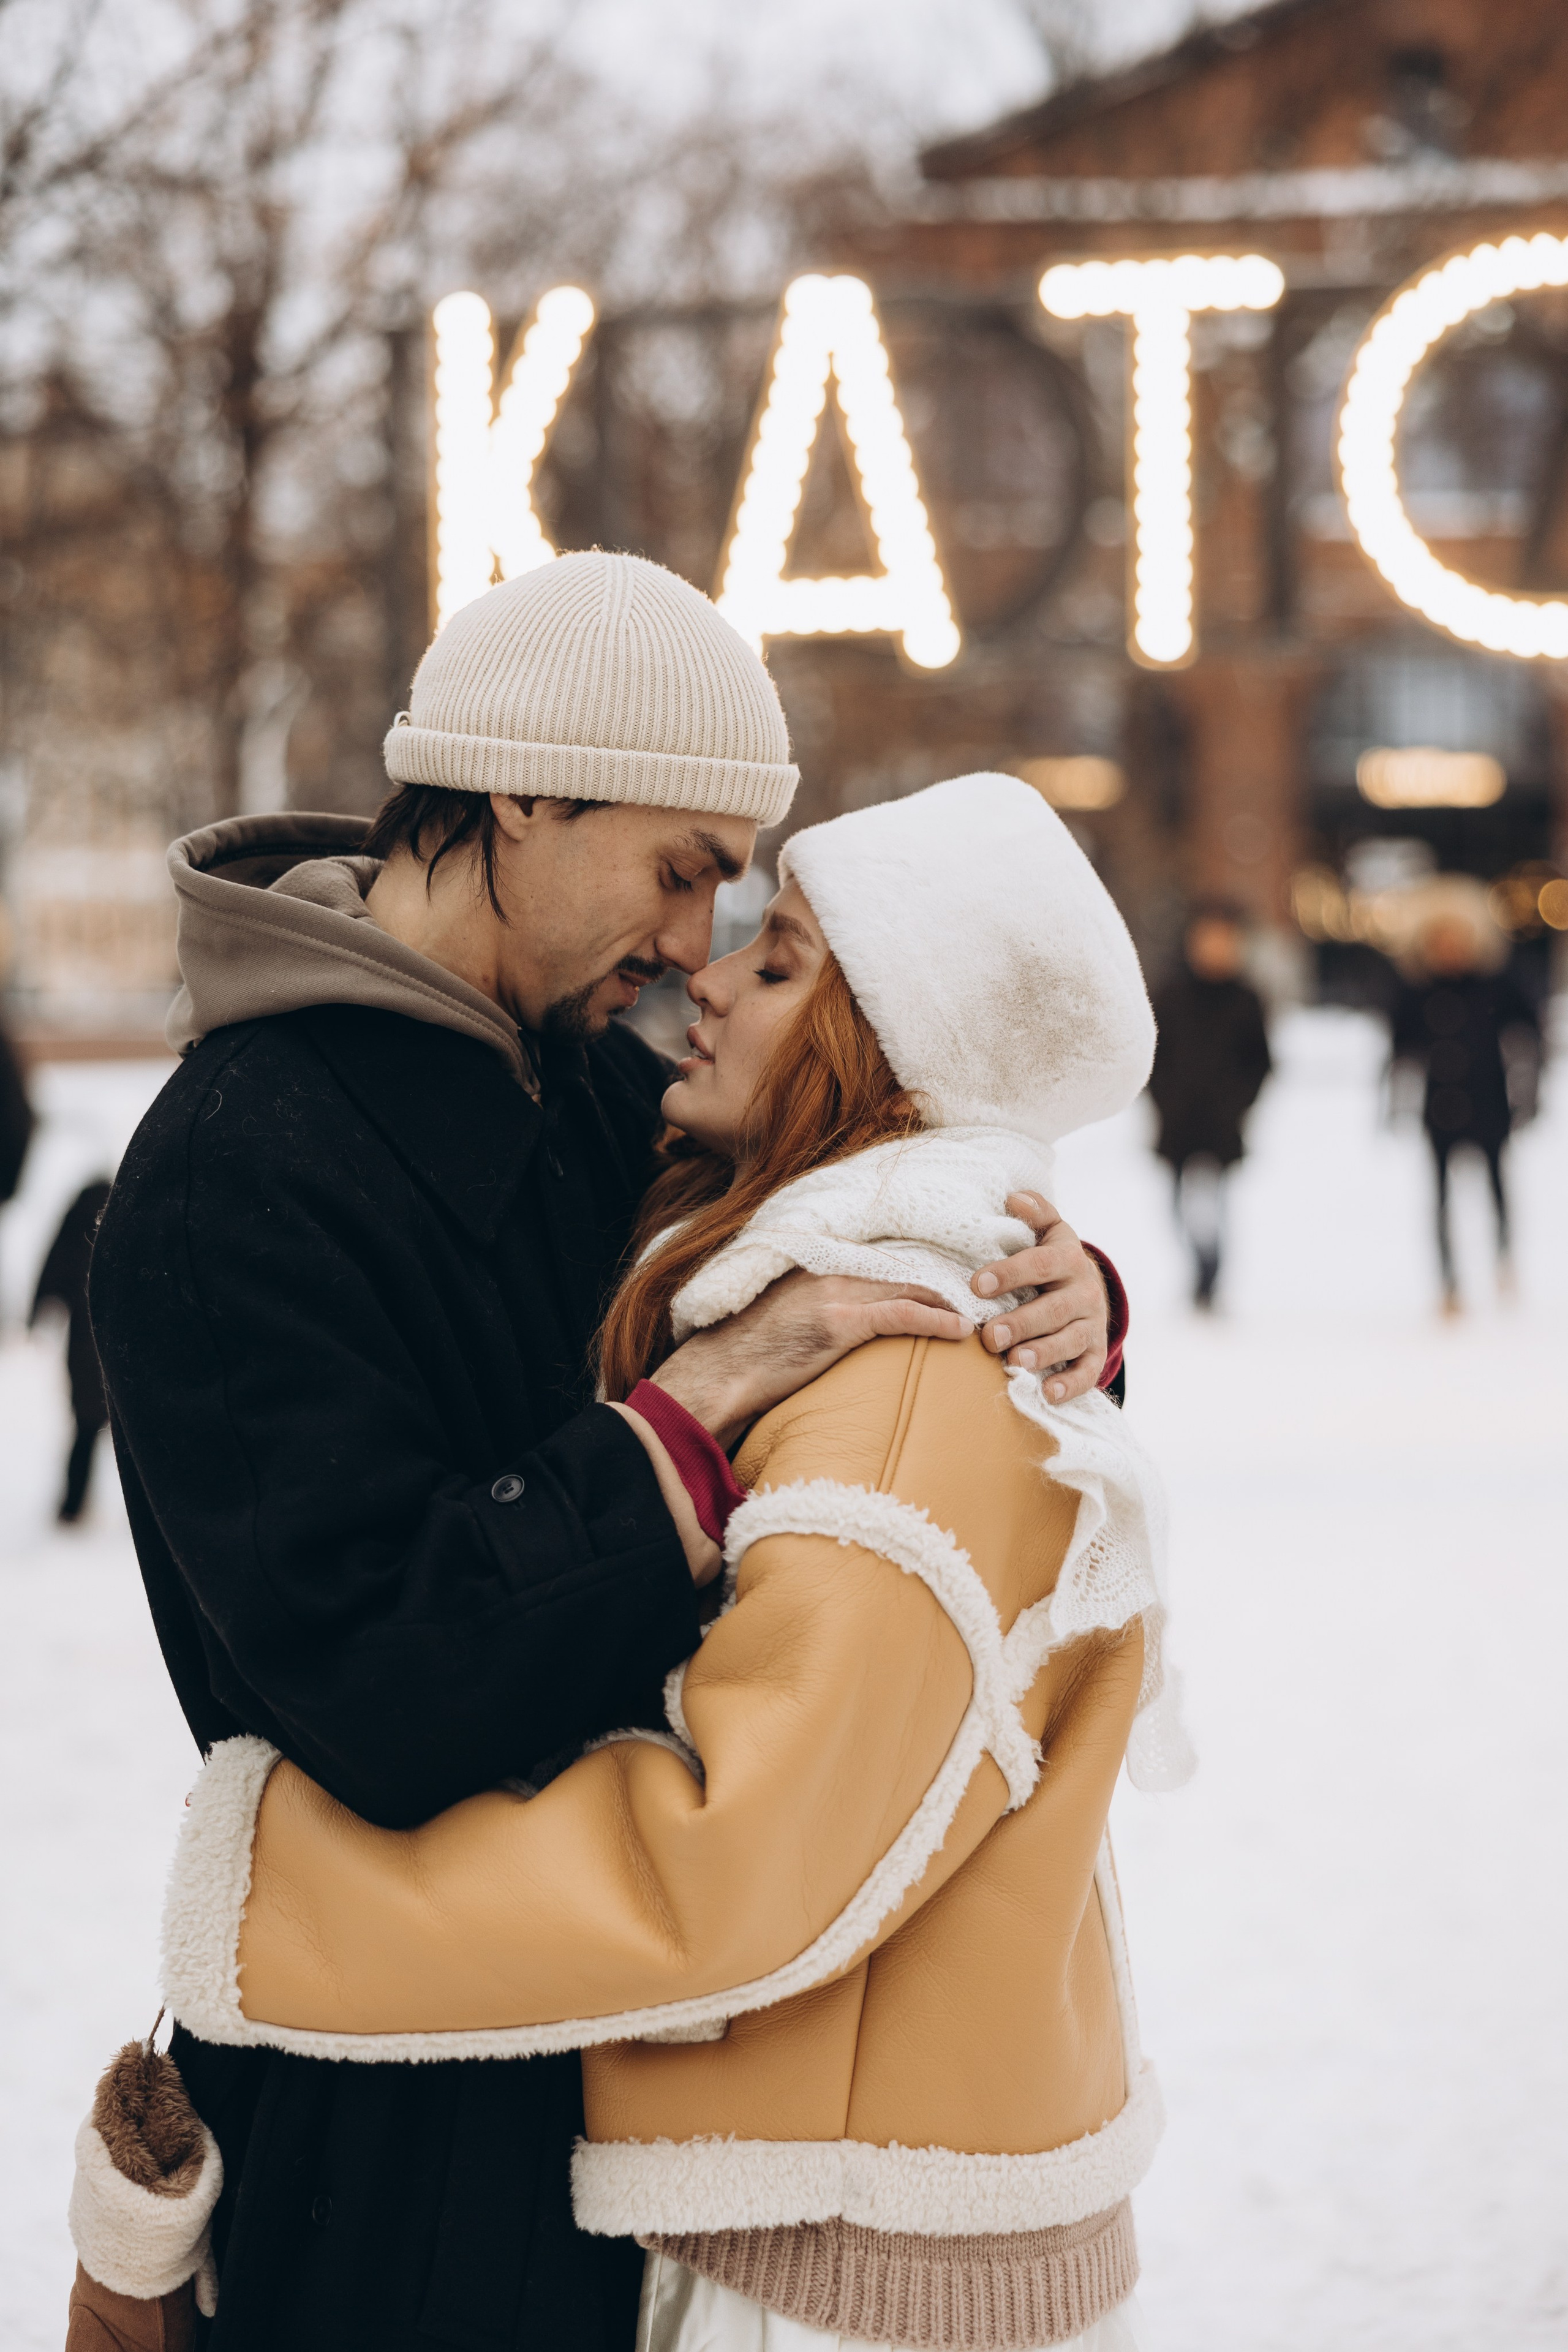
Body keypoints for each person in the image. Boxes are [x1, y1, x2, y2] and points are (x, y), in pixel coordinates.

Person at [83, 559, 1125, 2352]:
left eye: (727, 888)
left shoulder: (580, 1086)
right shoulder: (230, 1173)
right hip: (388, 2123)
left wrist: (1050, 1284)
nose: (692, 940)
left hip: (618, 2071)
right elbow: (384, 1680)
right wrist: (691, 1405)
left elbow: (838, 1202)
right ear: (521, 793)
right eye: (676, 866)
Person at [1389, 886, 1541, 1314]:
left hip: (1490, 1101)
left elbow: (1528, 1039)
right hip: (1440, 1106)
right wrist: (1396, 1101)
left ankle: (1503, 1257)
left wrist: (1527, 1094)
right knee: (1440, 1196)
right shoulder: (1417, 994)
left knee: (1497, 1186)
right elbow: (1402, 1052)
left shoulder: (1497, 988)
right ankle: (1448, 1280)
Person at [1147, 900, 1271, 1310]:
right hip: (1179, 1120)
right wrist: (1165, 1098)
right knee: (1177, 1205)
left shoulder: (1247, 998)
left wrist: (1236, 1102)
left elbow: (1262, 1063)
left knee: (1217, 1205)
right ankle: (1197, 1266)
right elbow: (1152, 1057)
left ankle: (1212, 1278)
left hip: (1221, 1123)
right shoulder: (1171, 993)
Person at [30, 1177, 114, 1523]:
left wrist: (40, 1307)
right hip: (115, 1341)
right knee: (135, 1430)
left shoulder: (82, 1209)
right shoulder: (131, 1206)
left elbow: (55, 1264)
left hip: (85, 1338)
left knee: (86, 1422)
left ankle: (72, 1506)